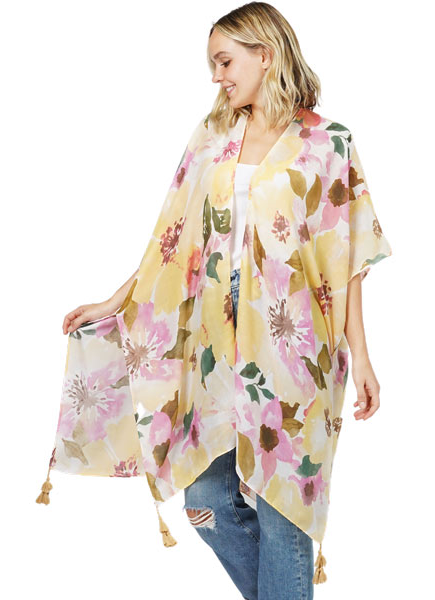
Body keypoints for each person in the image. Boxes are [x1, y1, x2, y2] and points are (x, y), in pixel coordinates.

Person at [54, 3, 392, 599]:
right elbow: (173, 239)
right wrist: (114, 301)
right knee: (206, 497)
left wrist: (361, 355)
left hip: (294, 337)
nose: (217, 76)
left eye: (225, 61)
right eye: (214, 64)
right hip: (210, 333)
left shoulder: (327, 142)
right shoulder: (213, 136)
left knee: (283, 505)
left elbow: (346, 260)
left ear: (266, 55)